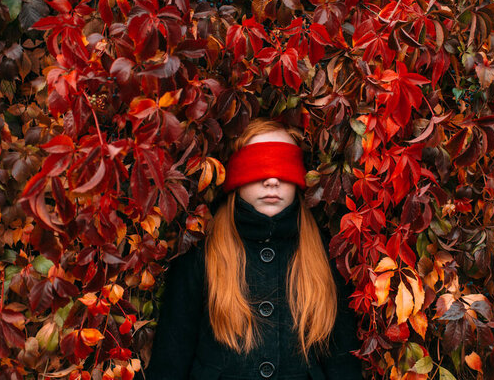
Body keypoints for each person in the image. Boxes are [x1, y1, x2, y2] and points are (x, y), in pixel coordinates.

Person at [145, 118, 362, 379]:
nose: (272, 180)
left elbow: (343, 363)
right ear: (235, 176)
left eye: (284, 168)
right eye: (258, 167)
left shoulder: (326, 255)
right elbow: (171, 357)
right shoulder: (200, 254)